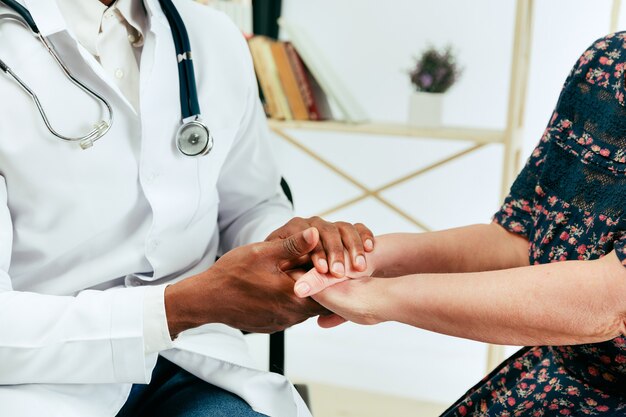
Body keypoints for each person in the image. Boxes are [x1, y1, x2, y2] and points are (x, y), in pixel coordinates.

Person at [0, 0, 374, 416]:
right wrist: (182, 305)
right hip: (37, 381)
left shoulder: (211, 36)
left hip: (193, 359)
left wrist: (286, 246)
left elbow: (249, 205)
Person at [294, 33, 626, 415]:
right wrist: (373, 258)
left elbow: (609, 300)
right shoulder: (606, 62)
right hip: (558, 378)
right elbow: (518, 238)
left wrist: (378, 299)